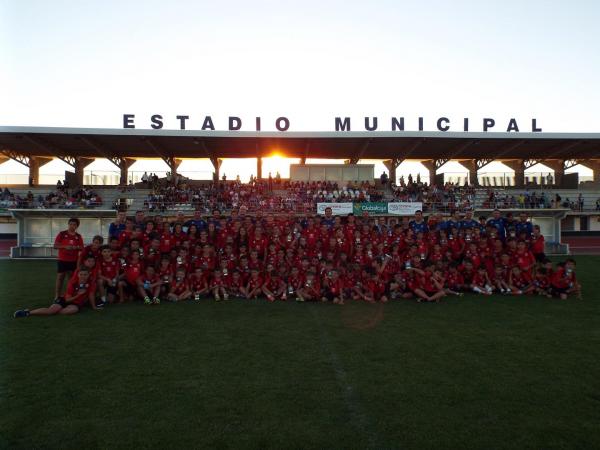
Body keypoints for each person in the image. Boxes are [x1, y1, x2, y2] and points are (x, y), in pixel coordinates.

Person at [14, 267, 97, 317]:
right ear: (78, 274)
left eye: (85, 274)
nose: (83, 276)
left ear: (89, 274)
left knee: (72, 310)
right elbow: (67, 300)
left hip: (76, 304)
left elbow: (91, 295)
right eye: (81, 274)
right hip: (65, 300)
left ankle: (54, 311)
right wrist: (78, 295)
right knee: (50, 311)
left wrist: (94, 307)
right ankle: (28, 312)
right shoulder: (72, 283)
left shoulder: (91, 283)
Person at [53, 218, 84, 299]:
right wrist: (65, 246)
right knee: (60, 278)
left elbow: (82, 248)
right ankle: (57, 296)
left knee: (71, 279)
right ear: (68, 224)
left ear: (77, 226)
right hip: (62, 260)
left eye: (74, 225)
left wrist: (75, 247)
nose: (72, 226)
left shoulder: (78, 236)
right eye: (70, 224)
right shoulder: (62, 234)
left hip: (73, 261)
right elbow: (55, 246)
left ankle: (69, 294)